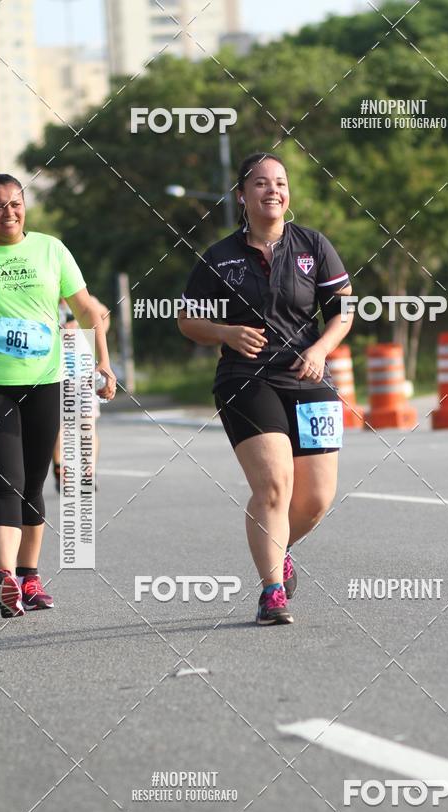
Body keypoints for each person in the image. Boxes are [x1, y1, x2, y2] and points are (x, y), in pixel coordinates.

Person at [177, 152, 354, 625]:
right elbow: (187, 320)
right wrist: (224, 333)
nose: (272, 190)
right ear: (242, 195)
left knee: (316, 499)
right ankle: (272, 590)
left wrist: (320, 351)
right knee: (275, 485)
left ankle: (277, 550)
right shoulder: (219, 257)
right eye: (260, 183)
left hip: (308, 376)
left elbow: (343, 311)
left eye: (279, 182)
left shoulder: (313, 245)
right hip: (245, 379)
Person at [0, 174, 116, 618]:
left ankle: (29, 575)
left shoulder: (50, 249)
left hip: (46, 380)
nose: (8, 213)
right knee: (6, 477)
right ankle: (5, 578)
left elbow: (86, 309)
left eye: (15, 204)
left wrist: (102, 360)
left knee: (33, 482)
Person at [53, 297, 111, 492]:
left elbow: (104, 314)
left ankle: (89, 471)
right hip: (56, 373)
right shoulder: (47, 299)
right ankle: (61, 468)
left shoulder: (85, 301)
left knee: (87, 422)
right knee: (60, 425)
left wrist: (80, 323)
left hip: (84, 373)